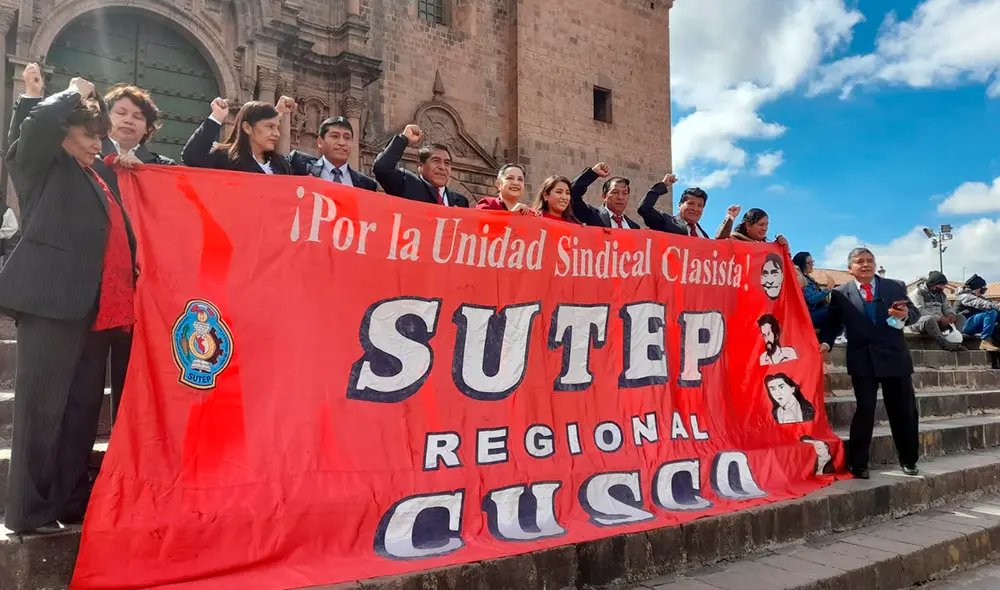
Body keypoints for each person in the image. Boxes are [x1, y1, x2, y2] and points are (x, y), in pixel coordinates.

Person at [1, 76, 137, 535]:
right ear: (63, 133)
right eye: (88, 135)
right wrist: (70, 93)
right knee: (40, 411)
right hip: (51, 303)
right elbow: (36, 126)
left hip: (92, 312)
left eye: (101, 135)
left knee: (78, 412)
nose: (98, 144)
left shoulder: (93, 177)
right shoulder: (41, 164)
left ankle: (68, 500)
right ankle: (28, 510)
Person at [819, 247, 920, 479]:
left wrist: (903, 314)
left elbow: (914, 314)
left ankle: (909, 459)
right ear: (850, 268)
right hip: (862, 359)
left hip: (894, 357)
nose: (865, 265)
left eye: (869, 261)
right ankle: (858, 464)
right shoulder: (841, 293)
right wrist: (825, 342)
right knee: (865, 411)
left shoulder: (895, 286)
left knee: (904, 411)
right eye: (859, 261)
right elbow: (832, 323)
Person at [181, 97, 296, 174]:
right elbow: (192, 157)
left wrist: (276, 113)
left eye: (277, 127)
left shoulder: (281, 165)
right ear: (247, 128)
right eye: (270, 126)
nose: (277, 133)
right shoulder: (225, 159)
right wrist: (217, 116)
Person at [372, 124, 469, 207]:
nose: (442, 167)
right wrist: (404, 138)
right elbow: (382, 168)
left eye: (447, 163)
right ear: (420, 165)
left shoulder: (461, 201)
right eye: (436, 161)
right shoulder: (406, 184)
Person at [286, 116, 377, 191]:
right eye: (335, 136)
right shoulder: (300, 167)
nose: (342, 143)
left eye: (347, 137)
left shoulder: (367, 185)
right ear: (320, 141)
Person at [638, 175, 739, 238]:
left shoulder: (703, 235)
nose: (695, 209)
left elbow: (719, 245)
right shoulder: (666, 222)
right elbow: (644, 208)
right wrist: (663, 185)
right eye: (690, 203)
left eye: (700, 205)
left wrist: (730, 217)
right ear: (679, 205)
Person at [102, 85, 176, 167]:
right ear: (106, 117)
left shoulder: (166, 166)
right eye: (121, 113)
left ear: (148, 128)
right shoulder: (88, 157)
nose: (129, 120)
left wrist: (143, 172)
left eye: (138, 117)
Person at [569, 162, 639, 229]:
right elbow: (572, 193)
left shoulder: (634, 227)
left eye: (624, 193)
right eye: (615, 192)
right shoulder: (591, 215)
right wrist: (593, 173)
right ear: (604, 196)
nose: (620, 197)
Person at [911, 271, 966, 352]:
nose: (943, 287)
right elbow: (920, 311)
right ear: (932, 284)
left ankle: (954, 340)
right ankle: (945, 343)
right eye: (940, 285)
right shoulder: (918, 293)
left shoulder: (941, 295)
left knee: (960, 318)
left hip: (939, 322)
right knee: (929, 319)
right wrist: (939, 318)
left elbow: (947, 307)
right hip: (920, 322)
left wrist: (951, 314)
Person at [954, 274, 1000, 352]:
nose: (983, 292)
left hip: (972, 323)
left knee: (997, 314)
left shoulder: (976, 296)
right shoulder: (965, 296)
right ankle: (985, 341)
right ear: (976, 288)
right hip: (963, 325)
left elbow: (991, 302)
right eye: (983, 290)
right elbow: (983, 304)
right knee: (991, 312)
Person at [792, 252, 833, 328]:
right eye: (809, 263)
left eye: (812, 262)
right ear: (801, 264)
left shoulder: (810, 279)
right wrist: (828, 288)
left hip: (815, 311)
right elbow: (811, 299)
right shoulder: (801, 279)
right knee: (836, 308)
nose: (812, 265)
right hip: (809, 314)